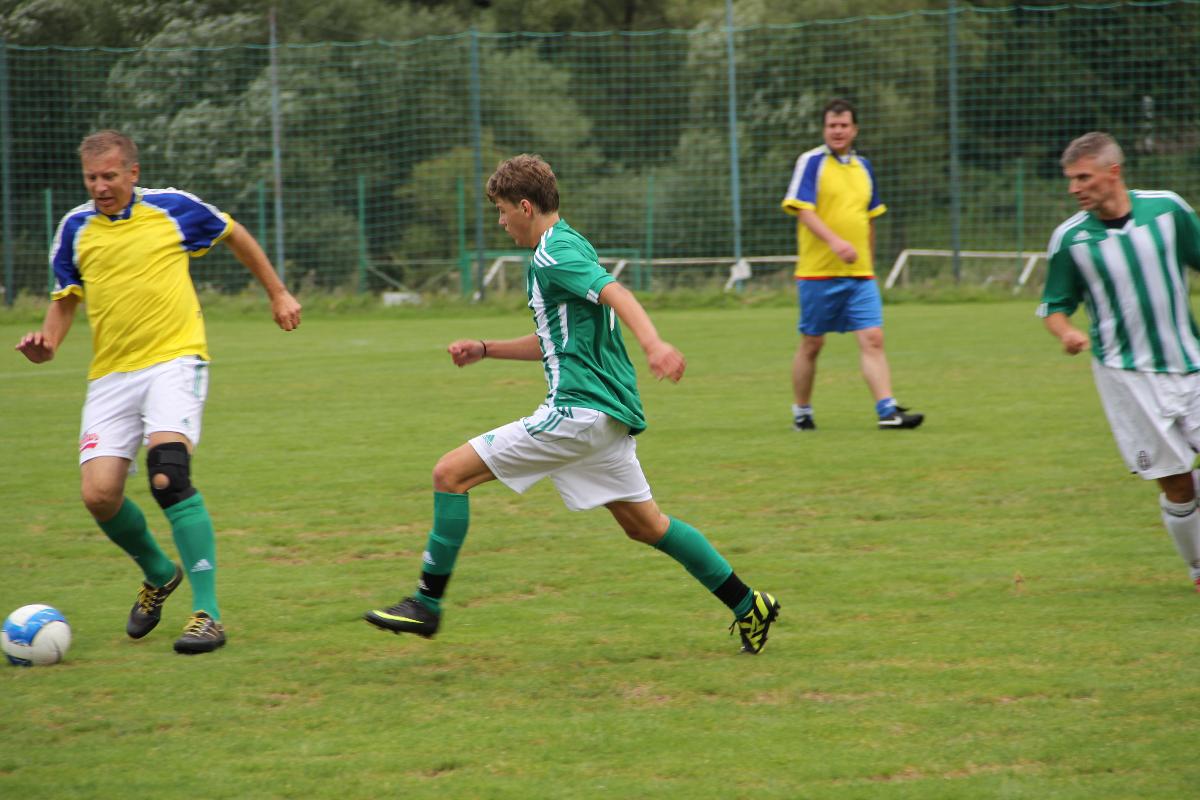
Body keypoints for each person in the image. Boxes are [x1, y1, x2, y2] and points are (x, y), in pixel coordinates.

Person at [364, 154, 780, 654]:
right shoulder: (570, 243)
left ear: (525, 206)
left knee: (449, 474)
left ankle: (426, 604)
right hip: (606, 417)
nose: (500, 223)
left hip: (578, 413)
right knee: (647, 526)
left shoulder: (552, 255)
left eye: (501, 211)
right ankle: (749, 604)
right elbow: (555, 340)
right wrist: (487, 348)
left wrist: (654, 344)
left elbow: (615, 292)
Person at [15, 130, 302, 653]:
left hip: (175, 360)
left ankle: (208, 614)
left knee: (168, 475)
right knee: (99, 495)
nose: (100, 187)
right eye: (91, 178)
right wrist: (48, 344)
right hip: (111, 375)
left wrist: (278, 292)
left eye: (110, 176)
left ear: (133, 172)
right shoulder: (75, 228)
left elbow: (233, 232)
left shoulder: (173, 208)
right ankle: (159, 572)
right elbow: (65, 300)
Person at [1039, 131, 1200, 591]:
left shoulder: (1167, 210)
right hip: (1127, 376)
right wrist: (1067, 332)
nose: (1074, 188)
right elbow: (1054, 306)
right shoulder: (1070, 238)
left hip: (1190, 361)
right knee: (1177, 485)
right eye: (1071, 180)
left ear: (1113, 172)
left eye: (1083, 177)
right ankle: (1198, 568)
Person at [781, 98, 923, 431]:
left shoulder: (864, 168)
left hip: (860, 275)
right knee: (812, 344)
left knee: (873, 338)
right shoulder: (811, 162)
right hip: (818, 273)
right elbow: (803, 210)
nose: (838, 131)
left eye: (843, 125)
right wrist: (835, 242)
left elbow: (869, 218)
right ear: (824, 129)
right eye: (832, 125)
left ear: (854, 129)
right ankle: (802, 412)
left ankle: (887, 411)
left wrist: (869, 263)